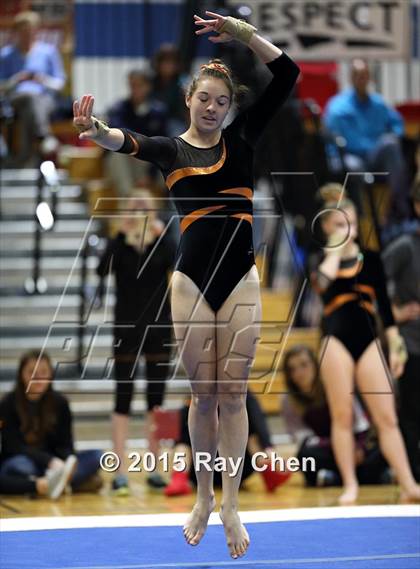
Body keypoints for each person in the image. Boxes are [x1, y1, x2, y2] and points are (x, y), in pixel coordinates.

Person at [73, 10, 299, 559]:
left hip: (241, 278)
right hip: (191, 283)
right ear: (189, 100)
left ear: (230, 107)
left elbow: (287, 73)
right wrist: (94, 130)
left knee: (234, 393)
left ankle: (230, 503)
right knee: (203, 396)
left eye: (223, 101)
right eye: (206, 98)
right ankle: (201, 497)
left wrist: (244, 34)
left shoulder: (243, 137)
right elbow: (129, 142)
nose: (214, 107)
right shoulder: (173, 150)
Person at [310, 185, 420, 505]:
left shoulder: (371, 259)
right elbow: (321, 286)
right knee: (342, 416)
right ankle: (350, 485)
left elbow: (385, 308)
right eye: (340, 223)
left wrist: (396, 346)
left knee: (387, 417)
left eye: (352, 223)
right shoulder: (321, 260)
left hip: (369, 340)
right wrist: (335, 250)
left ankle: (409, 483)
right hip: (336, 341)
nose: (349, 229)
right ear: (328, 227)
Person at [96, 190, 176, 494]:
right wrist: (118, 235)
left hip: (158, 329)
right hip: (126, 330)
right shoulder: (120, 244)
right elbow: (101, 270)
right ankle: (120, 472)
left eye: (145, 206)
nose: (140, 211)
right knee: (123, 399)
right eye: (135, 206)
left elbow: (180, 264)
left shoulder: (162, 241)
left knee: (157, 401)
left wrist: (162, 236)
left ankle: (156, 468)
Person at [282, 345, 390, 487]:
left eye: (304, 365)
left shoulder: (334, 385)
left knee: (383, 447)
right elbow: (304, 439)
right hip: (327, 449)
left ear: (315, 365)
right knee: (304, 457)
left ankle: (334, 479)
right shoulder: (289, 401)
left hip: (354, 443)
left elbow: (360, 423)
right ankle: (367, 477)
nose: (299, 372)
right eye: (292, 369)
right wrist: (339, 448)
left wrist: (359, 448)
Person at [0, 350, 103, 499]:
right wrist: (49, 461)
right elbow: (12, 446)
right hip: (27, 463)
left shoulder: (60, 403)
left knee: (98, 456)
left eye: (43, 372)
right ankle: (64, 484)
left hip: (55, 467)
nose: (38, 378)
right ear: (21, 374)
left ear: (51, 374)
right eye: (32, 372)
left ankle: (50, 483)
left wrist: (67, 463)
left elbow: (66, 444)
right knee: (19, 466)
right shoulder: (8, 404)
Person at [323, 58, 410, 222]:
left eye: (364, 75)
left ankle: (401, 210)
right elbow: (330, 138)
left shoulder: (378, 103)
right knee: (353, 165)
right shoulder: (337, 106)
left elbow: (398, 125)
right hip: (351, 156)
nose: (361, 79)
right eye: (357, 75)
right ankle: (362, 220)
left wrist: (393, 135)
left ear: (369, 77)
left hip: (374, 155)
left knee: (390, 144)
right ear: (351, 78)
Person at [165, 391, 291, 497]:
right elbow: (181, 437)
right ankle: (179, 477)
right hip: (202, 468)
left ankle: (268, 472)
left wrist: (270, 451)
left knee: (251, 435)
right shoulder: (198, 394)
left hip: (237, 467)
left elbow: (259, 423)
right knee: (184, 442)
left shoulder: (243, 394)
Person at [383, 176, 420, 482]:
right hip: (412, 344)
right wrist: (395, 312)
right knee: (410, 412)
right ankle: (411, 473)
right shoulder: (406, 247)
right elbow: (371, 282)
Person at [0, 11, 65, 167]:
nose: (27, 34)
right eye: (23, 31)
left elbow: (59, 84)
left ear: (37, 31)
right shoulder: (6, 54)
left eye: (30, 30)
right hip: (16, 98)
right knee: (29, 99)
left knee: (30, 106)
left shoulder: (49, 52)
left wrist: (42, 80)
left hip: (45, 99)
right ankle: (43, 136)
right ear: (16, 32)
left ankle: (22, 159)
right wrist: (16, 80)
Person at [105, 67, 169, 196]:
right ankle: (129, 198)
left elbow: (163, 143)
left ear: (148, 87)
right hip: (127, 157)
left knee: (167, 156)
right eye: (132, 85)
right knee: (118, 153)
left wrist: (150, 173)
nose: (136, 90)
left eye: (140, 85)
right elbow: (117, 134)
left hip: (149, 160)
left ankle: (165, 205)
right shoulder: (118, 109)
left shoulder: (158, 112)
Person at [151, 44, 188, 136]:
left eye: (172, 62)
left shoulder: (184, 82)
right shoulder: (150, 82)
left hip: (175, 122)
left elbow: (188, 111)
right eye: (165, 61)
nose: (169, 65)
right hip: (153, 121)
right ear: (158, 63)